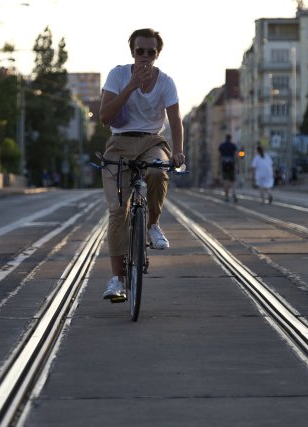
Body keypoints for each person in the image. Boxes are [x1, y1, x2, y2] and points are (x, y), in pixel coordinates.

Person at [99, 28, 185, 302]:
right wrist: (131, 86)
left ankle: (153, 224)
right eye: (140, 51)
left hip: (151, 142)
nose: (145, 57)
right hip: (120, 142)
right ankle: (117, 281)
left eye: (151, 52)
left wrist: (179, 152)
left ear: (157, 54)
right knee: (117, 211)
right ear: (132, 52)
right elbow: (104, 116)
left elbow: (175, 120)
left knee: (159, 172)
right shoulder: (118, 75)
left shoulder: (166, 82)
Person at [218, 134, 238, 202]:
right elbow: (236, 156)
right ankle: (234, 193)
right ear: (231, 138)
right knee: (233, 181)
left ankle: (226, 197)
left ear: (225, 138)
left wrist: (219, 167)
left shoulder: (222, 146)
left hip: (224, 164)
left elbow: (219, 157)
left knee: (225, 181)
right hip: (232, 164)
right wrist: (237, 165)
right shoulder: (233, 145)